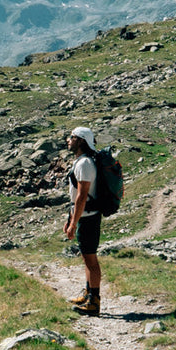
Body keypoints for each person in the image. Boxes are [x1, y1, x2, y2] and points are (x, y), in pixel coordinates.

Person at [63, 125, 102, 315]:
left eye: (72, 137)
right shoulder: (82, 162)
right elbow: (76, 197)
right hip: (84, 217)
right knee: (87, 258)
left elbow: (81, 196)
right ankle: (88, 294)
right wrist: (70, 218)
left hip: (88, 219)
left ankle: (94, 302)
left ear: (81, 141)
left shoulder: (85, 164)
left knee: (91, 260)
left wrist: (73, 223)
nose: (68, 140)